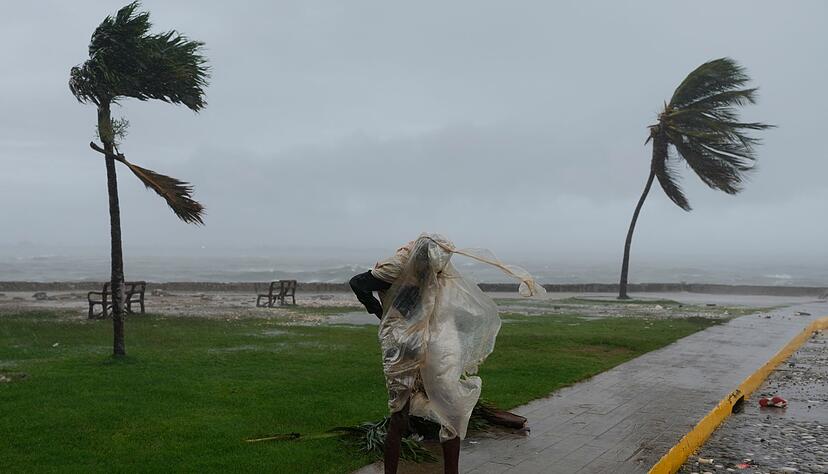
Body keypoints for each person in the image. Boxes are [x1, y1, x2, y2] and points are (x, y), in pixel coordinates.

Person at [350, 234, 544, 474]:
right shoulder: (398, 265)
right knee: (399, 414)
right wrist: (382, 313)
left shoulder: (441, 268)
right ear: (420, 258)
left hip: (437, 339)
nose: (437, 269)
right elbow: (358, 283)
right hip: (403, 343)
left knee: (451, 412)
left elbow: (449, 305)